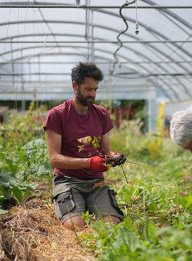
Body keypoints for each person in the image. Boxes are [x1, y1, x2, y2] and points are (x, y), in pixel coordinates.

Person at [43, 62, 126, 229]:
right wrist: (89, 163)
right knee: (75, 227)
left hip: (95, 182)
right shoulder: (57, 115)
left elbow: (106, 152)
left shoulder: (101, 114)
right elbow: (54, 159)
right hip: (68, 180)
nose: (92, 94)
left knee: (111, 225)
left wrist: (114, 157)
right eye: (88, 89)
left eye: (95, 89)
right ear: (75, 85)